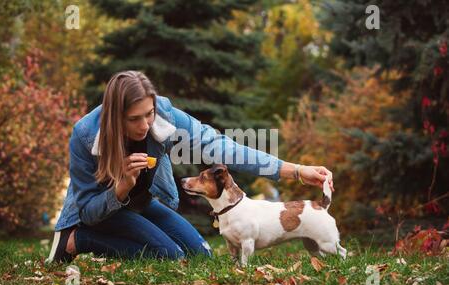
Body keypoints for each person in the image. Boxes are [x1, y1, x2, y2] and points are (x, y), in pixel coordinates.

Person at [46, 70, 334, 263]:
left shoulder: (166, 117)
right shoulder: (86, 135)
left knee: (202, 256)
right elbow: (88, 211)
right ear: (114, 117)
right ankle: (75, 241)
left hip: (140, 203)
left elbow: (224, 148)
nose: (145, 125)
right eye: (134, 119)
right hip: (99, 213)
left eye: (149, 114)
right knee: (169, 255)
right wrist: (121, 188)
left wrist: (295, 170)